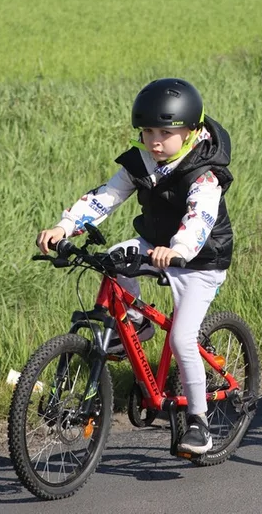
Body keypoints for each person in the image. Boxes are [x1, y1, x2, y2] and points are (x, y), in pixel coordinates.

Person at [36, 78, 234, 454]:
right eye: (147, 132)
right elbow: (104, 198)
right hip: (155, 244)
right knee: (116, 256)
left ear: (191, 132)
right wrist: (64, 228)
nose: (155, 141)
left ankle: (200, 423)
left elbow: (200, 217)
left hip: (201, 259)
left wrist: (177, 248)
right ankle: (138, 323)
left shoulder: (204, 173)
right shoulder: (142, 161)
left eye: (166, 132)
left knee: (181, 339)